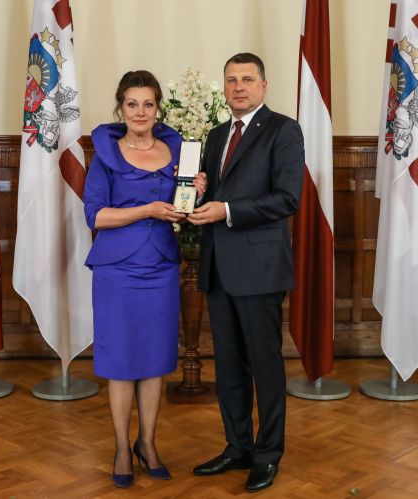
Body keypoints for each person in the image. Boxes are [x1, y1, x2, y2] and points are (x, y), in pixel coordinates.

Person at [83, 70, 206, 488]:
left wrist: (196, 192)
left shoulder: (176, 151)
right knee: (120, 362)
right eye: (132, 104)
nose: (140, 112)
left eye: (148, 104)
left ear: (157, 108)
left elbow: (182, 210)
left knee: (155, 360)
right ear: (121, 108)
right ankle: (122, 447)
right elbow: (95, 216)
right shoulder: (106, 153)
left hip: (161, 267)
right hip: (116, 270)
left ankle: (148, 443)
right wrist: (147, 210)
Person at [187, 53, 305, 492]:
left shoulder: (283, 130)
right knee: (229, 367)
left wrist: (227, 209)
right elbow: (214, 198)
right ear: (224, 87)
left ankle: (268, 454)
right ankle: (237, 447)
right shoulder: (217, 134)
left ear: (263, 86)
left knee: (265, 367)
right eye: (232, 79)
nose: (239, 87)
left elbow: (287, 198)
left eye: (247, 79)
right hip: (219, 267)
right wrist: (201, 193)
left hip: (259, 270)